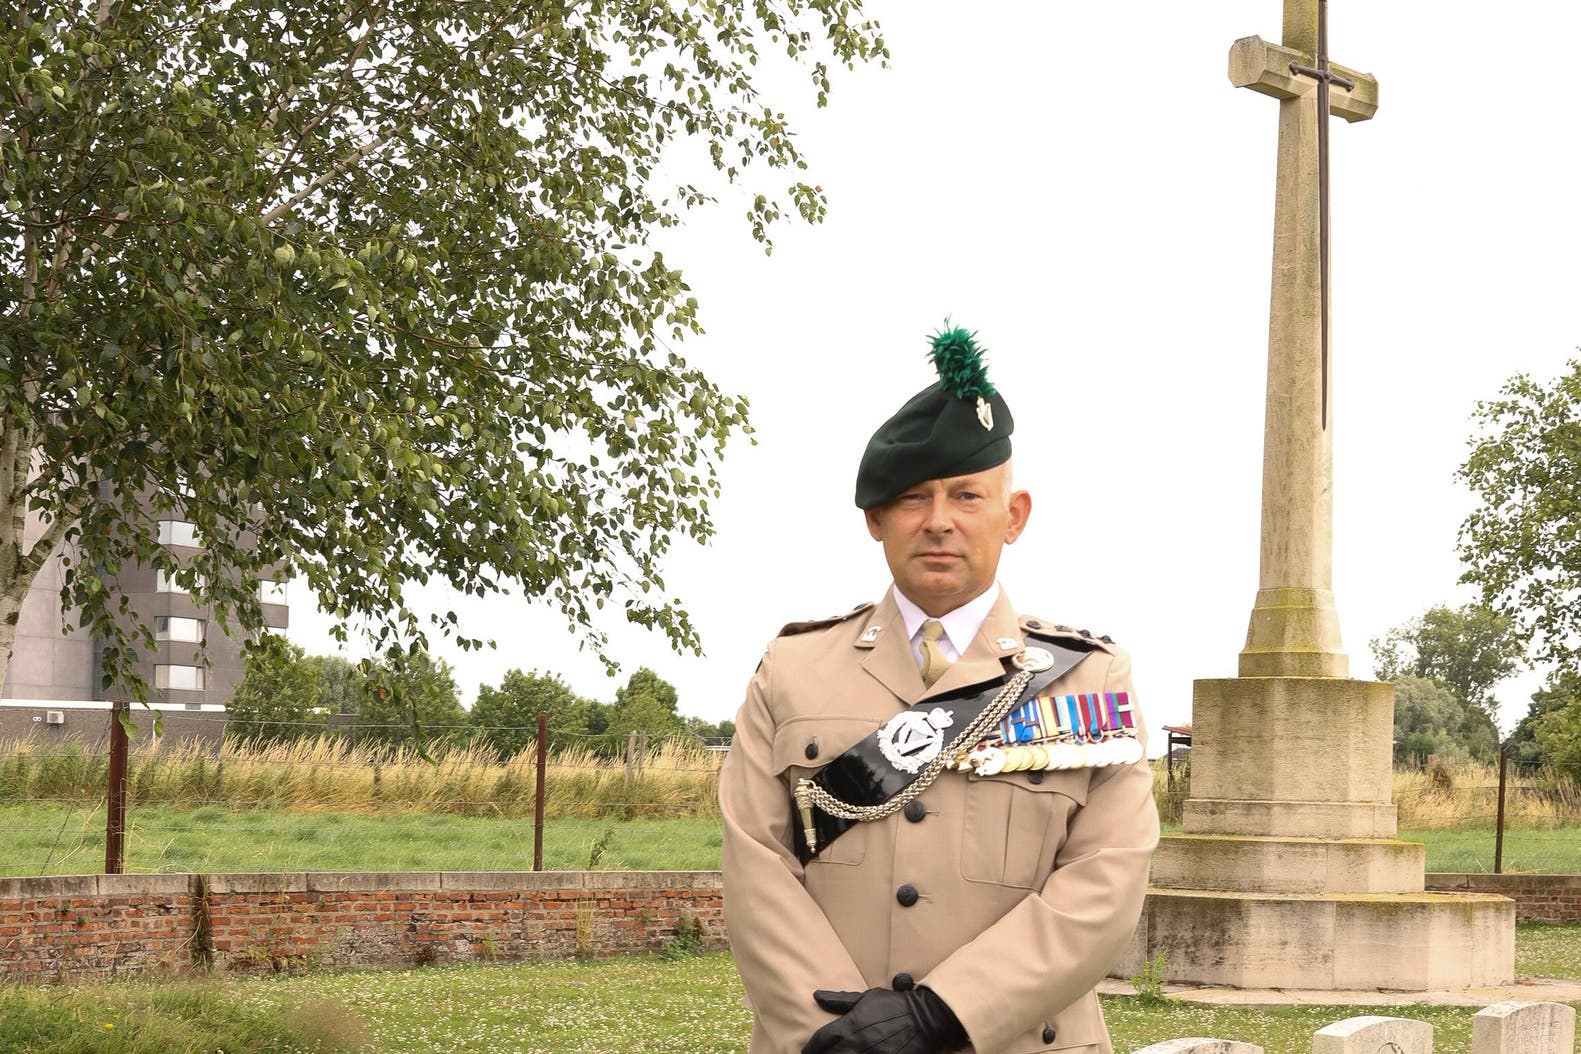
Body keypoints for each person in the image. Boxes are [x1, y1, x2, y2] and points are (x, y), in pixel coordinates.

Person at [719, 325, 1160, 1054]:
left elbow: (1102, 889)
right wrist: (840, 1035)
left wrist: (943, 1015)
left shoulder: (1088, 678)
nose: (939, 522)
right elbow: (754, 867)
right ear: (875, 519)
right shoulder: (791, 668)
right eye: (913, 499)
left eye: (966, 495)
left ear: (1011, 516)